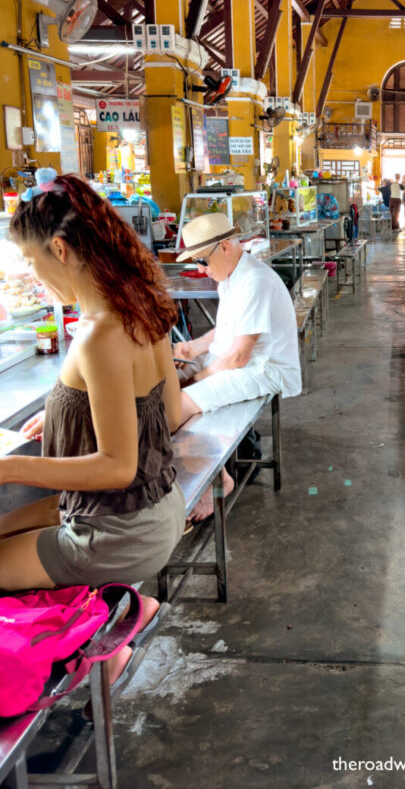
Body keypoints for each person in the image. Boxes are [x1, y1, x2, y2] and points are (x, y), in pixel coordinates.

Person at [0, 171, 184, 679]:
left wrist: (9, 469)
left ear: (59, 250)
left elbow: (118, 467)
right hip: (158, 508)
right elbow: (167, 411)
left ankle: (98, 633)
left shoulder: (98, 334)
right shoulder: (140, 306)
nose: (32, 275)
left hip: (118, 531)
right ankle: (116, 610)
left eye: (30, 262)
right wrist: (65, 414)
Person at [173, 213, 301, 520]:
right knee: (165, 383)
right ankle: (201, 471)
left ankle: (214, 479)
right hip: (242, 360)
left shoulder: (253, 280)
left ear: (225, 248)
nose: (202, 270)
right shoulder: (231, 277)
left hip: (263, 369)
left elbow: (239, 357)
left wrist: (196, 379)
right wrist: (193, 348)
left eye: (203, 261)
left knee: (175, 405)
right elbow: (226, 332)